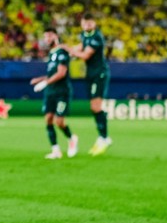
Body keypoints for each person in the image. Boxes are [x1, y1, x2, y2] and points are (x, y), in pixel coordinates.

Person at [66, 13, 112, 156]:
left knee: (96, 106)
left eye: (90, 22)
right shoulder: (85, 35)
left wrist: (70, 51)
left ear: (94, 23)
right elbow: (82, 46)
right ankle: (103, 136)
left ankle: (104, 137)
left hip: (99, 74)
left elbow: (86, 55)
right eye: (85, 23)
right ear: (81, 23)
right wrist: (71, 50)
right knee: (94, 107)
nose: (87, 25)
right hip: (91, 74)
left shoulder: (97, 36)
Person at [31, 28, 78, 159]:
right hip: (50, 91)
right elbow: (52, 73)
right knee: (48, 119)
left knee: (59, 121)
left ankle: (72, 138)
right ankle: (56, 150)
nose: (47, 39)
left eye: (49, 36)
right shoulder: (51, 54)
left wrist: (45, 83)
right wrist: (41, 79)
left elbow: (61, 73)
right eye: (45, 36)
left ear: (56, 36)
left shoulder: (62, 52)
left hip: (62, 92)